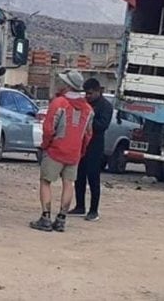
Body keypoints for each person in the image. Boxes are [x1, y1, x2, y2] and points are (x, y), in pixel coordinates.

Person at [30, 70, 94, 233]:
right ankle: (61, 219)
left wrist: (45, 145)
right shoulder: (88, 109)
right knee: (69, 184)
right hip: (74, 153)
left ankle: (45, 217)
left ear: (67, 85)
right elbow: (88, 134)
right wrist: (81, 151)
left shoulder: (59, 103)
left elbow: (49, 128)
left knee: (46, 182)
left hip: (56, 150)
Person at [69, 79, 113, 221]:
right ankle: (80, 206)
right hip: (81, 144)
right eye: (86, 93)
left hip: (95, 146)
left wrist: (88, 121)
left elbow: (102, 125)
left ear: (98, 91)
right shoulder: (84, 103)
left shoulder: (105, 106)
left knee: (93, 178)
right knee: (79, 175)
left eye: (90, 93)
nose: (87, 96)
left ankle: (94, 210)